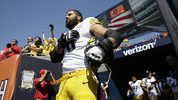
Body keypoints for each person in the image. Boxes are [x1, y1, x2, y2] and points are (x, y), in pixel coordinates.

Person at [50, 9, 123, 100]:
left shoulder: (86, 23)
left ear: (78, 17)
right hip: (64, 80)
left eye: (69, 14)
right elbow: (54, 58)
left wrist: (101, 49)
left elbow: (115, 36)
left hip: (84, 75)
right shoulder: (64, 35)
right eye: (66, 15)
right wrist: (61, 43)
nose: (66, 16)